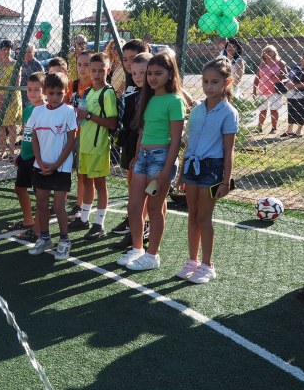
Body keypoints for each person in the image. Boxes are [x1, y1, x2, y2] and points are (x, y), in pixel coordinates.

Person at [117, 52, 186, 271]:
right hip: (143, 159)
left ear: (170, 74)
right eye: (150, 74)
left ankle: (152, 255)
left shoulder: (175, 101)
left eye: (159, 73)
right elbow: (142, 132)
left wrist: (166, 170)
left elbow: (175, 141)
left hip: (160, 159)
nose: (153, 78)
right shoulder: (148, 98)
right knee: (134, 206)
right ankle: (137, 249)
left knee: (155, 210)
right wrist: (137, 155)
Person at [176, 57, 239, 284]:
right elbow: (190, 144)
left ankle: (207, 265)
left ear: (227, 82)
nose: (209, 86)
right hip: (192, 167)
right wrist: (183, 171)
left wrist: (225, 180)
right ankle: (192, 261)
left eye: (214, 82)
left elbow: (228, 150)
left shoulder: (228, 113)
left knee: (204, 218)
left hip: (212, 170)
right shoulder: (197, 110)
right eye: (205, 81)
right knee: (192, 216)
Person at [26, 72, 78, 261]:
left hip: (61, 168)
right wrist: (39, 161)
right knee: (40, 204)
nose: (55, 97)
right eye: (52, 93)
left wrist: (56, 164)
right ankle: (45, 238)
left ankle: (64, 241)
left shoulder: (69, 112)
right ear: (45, 92)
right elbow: (35, 139)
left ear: (66, 93)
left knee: (59, 206)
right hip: (41, 166)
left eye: (59, 93)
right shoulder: (37, 111)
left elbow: (71, 142)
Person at [70, 52, 117, 240]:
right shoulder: (89, 92)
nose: (97, 74)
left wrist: (88, 116)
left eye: (101, 71)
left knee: (100, 184)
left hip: (98, 147)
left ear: (108, 70)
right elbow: (82, 118)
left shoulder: (108, 92)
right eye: (94, 70)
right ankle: (84, 218)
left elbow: (112, 123)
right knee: (86, 181)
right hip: (85, 145)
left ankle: (100, 224)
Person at [112, 52, 153, 250]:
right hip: (133, 144)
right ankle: (138, 228)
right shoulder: (133, 91)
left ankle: (147, 231)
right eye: (134, 72)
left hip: (151, 152)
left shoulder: (156, 96)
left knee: (150, 196)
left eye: (143, 72)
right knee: (134, 190)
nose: (138, 77)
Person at [7, 71, 44, 242]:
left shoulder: (46, 110)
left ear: (44, 90)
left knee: (40, 194)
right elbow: (26, 134)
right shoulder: (28, 109)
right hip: (26, 156)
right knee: (19, 188)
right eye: (29, 89)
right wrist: (20, 154)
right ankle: (28, 220)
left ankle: (38, 230)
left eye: (37, 89)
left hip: (39, 159)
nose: (32, 93)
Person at [68, 50, 92, 223]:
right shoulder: (72, 86)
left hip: (88, 135)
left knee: (85, 174)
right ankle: (76, 203)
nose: (82, 69)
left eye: (87, 65)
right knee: (75, 171)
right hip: (73, 134)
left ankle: (82, 205)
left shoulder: (96, 87)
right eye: (79, 65)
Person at [0, 41, 22, 160]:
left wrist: (6, 96)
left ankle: (11, 152)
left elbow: (17, 82)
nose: (6, 51)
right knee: (0, 126)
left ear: (11, 50)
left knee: (11, 126)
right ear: (0, 50)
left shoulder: (16, 64)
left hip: (12, 98)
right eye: (3, 49)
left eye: (8, 49)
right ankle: (2, 151)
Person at [252, 44, 287, 134]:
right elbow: (256, 79)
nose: (266, 53)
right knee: (262, 110)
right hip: (263, 90)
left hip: (275, 90)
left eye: (269, 51)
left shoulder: (280, 63)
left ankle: (274, 128)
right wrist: (254, 91)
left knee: (274, 110)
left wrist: (277, 75)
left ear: (274, 52)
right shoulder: (262, 64)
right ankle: (259, 127)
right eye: (265, 51)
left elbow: (287, 75)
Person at [284, 51, 304, 138]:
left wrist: (294, 86)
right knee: (291, 110)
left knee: (301, 111)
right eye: (303, 57)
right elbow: (289, 76)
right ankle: (290, 130)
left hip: (302, 94)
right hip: (291, 93)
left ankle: (299, 130)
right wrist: (286, 84)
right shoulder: (295, 66)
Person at [20, 43, 44, 109]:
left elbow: (42, 80)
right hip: (21, 92)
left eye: (29, 52)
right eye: (25, 52)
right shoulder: (22, 63)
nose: (27, 54)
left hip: (32, 93)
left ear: (33, 53)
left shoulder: (37, 65)